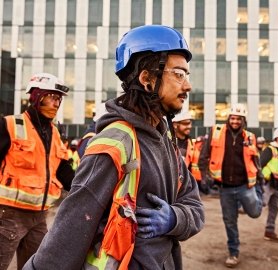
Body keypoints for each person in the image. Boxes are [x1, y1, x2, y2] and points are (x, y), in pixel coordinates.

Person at [23, 25, 204, 270]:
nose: (188, 86)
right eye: (179, 74)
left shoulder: (166, 141)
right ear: (147, 79)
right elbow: (71, 228)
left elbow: (194, 206)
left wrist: (175, 219)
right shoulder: (115, 142)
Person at [0, 72, 74, 270]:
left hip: (39, 217)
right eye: (52, 96)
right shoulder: (9, 125)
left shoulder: (55, 132)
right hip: (8, 214)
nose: (57, 103)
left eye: (59, 99)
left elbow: (63, 170)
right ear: (36, 96)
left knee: (37, 267)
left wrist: (83, 189)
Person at [198, 103, 263, 268]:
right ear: (228, 118)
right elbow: (204, 156)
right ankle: (233, 253)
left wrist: (260, 180)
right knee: (230, 222)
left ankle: (258, 195)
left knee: (255, 213)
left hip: (245, 186)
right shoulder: (216, 132)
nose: (235, 121)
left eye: (238, 119)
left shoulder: (249, 137)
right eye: (233, 118)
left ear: (243, 120)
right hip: (225, 188)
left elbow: (255, 160)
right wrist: (205, 178)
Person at [172, 111, 205, 192]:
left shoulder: (191, 144)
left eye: (190, 123)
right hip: (172, 188)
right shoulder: (168, 143)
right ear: (175, 125)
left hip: (188, 187)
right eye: (186, 124)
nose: (190, 126)